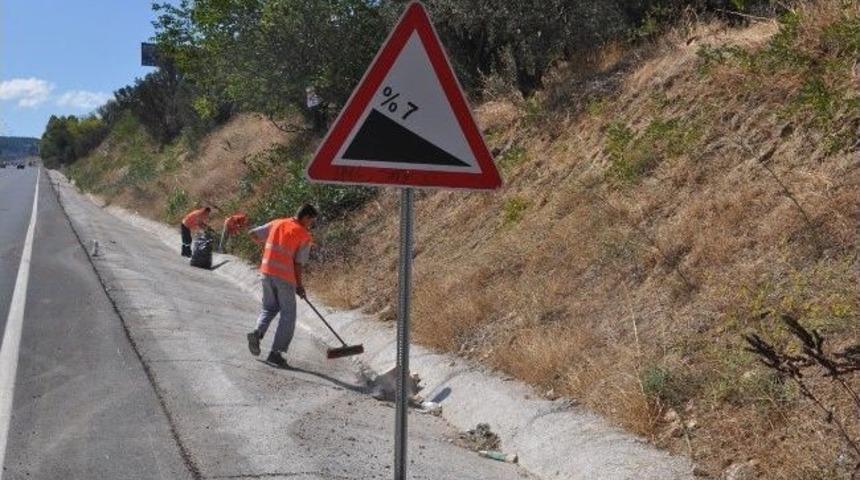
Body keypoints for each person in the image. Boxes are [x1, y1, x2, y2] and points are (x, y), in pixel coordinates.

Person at [246, 204, 318, 368]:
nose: (311, 224)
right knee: (288, 316)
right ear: (306, 217)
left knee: (269, 308)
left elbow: (253, 234)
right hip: (285, 277)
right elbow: (298, 263)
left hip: (266, 271)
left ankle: (257, 333)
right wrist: (299, 285)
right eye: (312, 221)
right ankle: (276, 353)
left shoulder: (277, 223)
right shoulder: (304, 235)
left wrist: (268, 251)